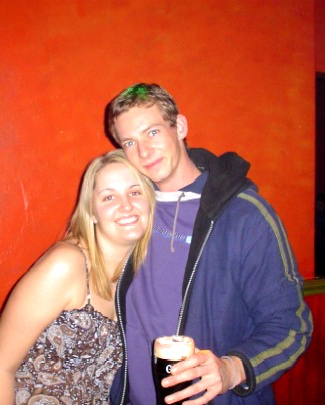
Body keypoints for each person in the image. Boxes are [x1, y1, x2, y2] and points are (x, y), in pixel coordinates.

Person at [105, 83, 313, 404]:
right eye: (130, 142)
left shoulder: (245, 216)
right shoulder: (130, 215)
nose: (143, 152)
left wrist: (231, 369)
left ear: (180, 127)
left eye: (153, 132)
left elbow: (291, 325)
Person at [0, 149, 155, 405]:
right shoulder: (66, 264)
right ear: (91, 212)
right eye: (109, 197)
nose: (126, 206)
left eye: (135, 192)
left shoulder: (143, 276)